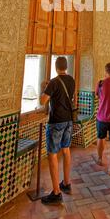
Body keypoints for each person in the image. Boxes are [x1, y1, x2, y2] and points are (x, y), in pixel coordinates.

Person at [40, 56, 75, 204]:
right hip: (68, 120)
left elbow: (43, 101)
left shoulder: (53, 82)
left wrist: (44, 88)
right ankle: (66, 183)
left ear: (55, 67)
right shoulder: (71, 80)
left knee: (53, 154)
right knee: (66, 150)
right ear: (66, 67)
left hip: (56, 122)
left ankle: (56, 192)